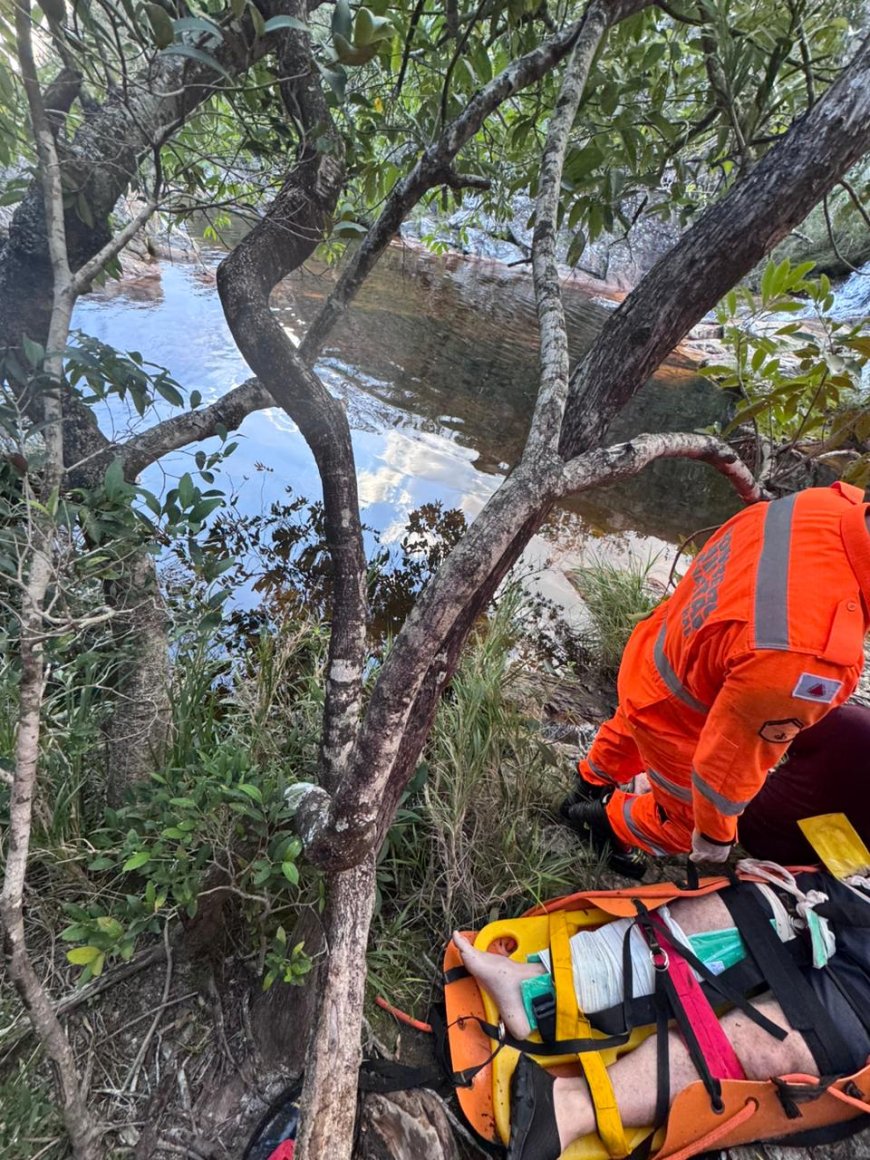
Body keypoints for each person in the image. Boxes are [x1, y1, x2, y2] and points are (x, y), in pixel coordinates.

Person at [452, 868, 870, 1160]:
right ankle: (535, 989)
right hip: (852, 907)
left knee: (793, 1045)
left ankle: (568, 1108)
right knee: (744, 911)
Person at [563, 482, 870, 873]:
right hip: (678, 710)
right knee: (685, 823)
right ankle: (599, 822)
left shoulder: (825, 503)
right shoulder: (813, 658)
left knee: (627, 728)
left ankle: (587, 783)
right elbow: (728, 764)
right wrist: (714, 835)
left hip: (662, 649)